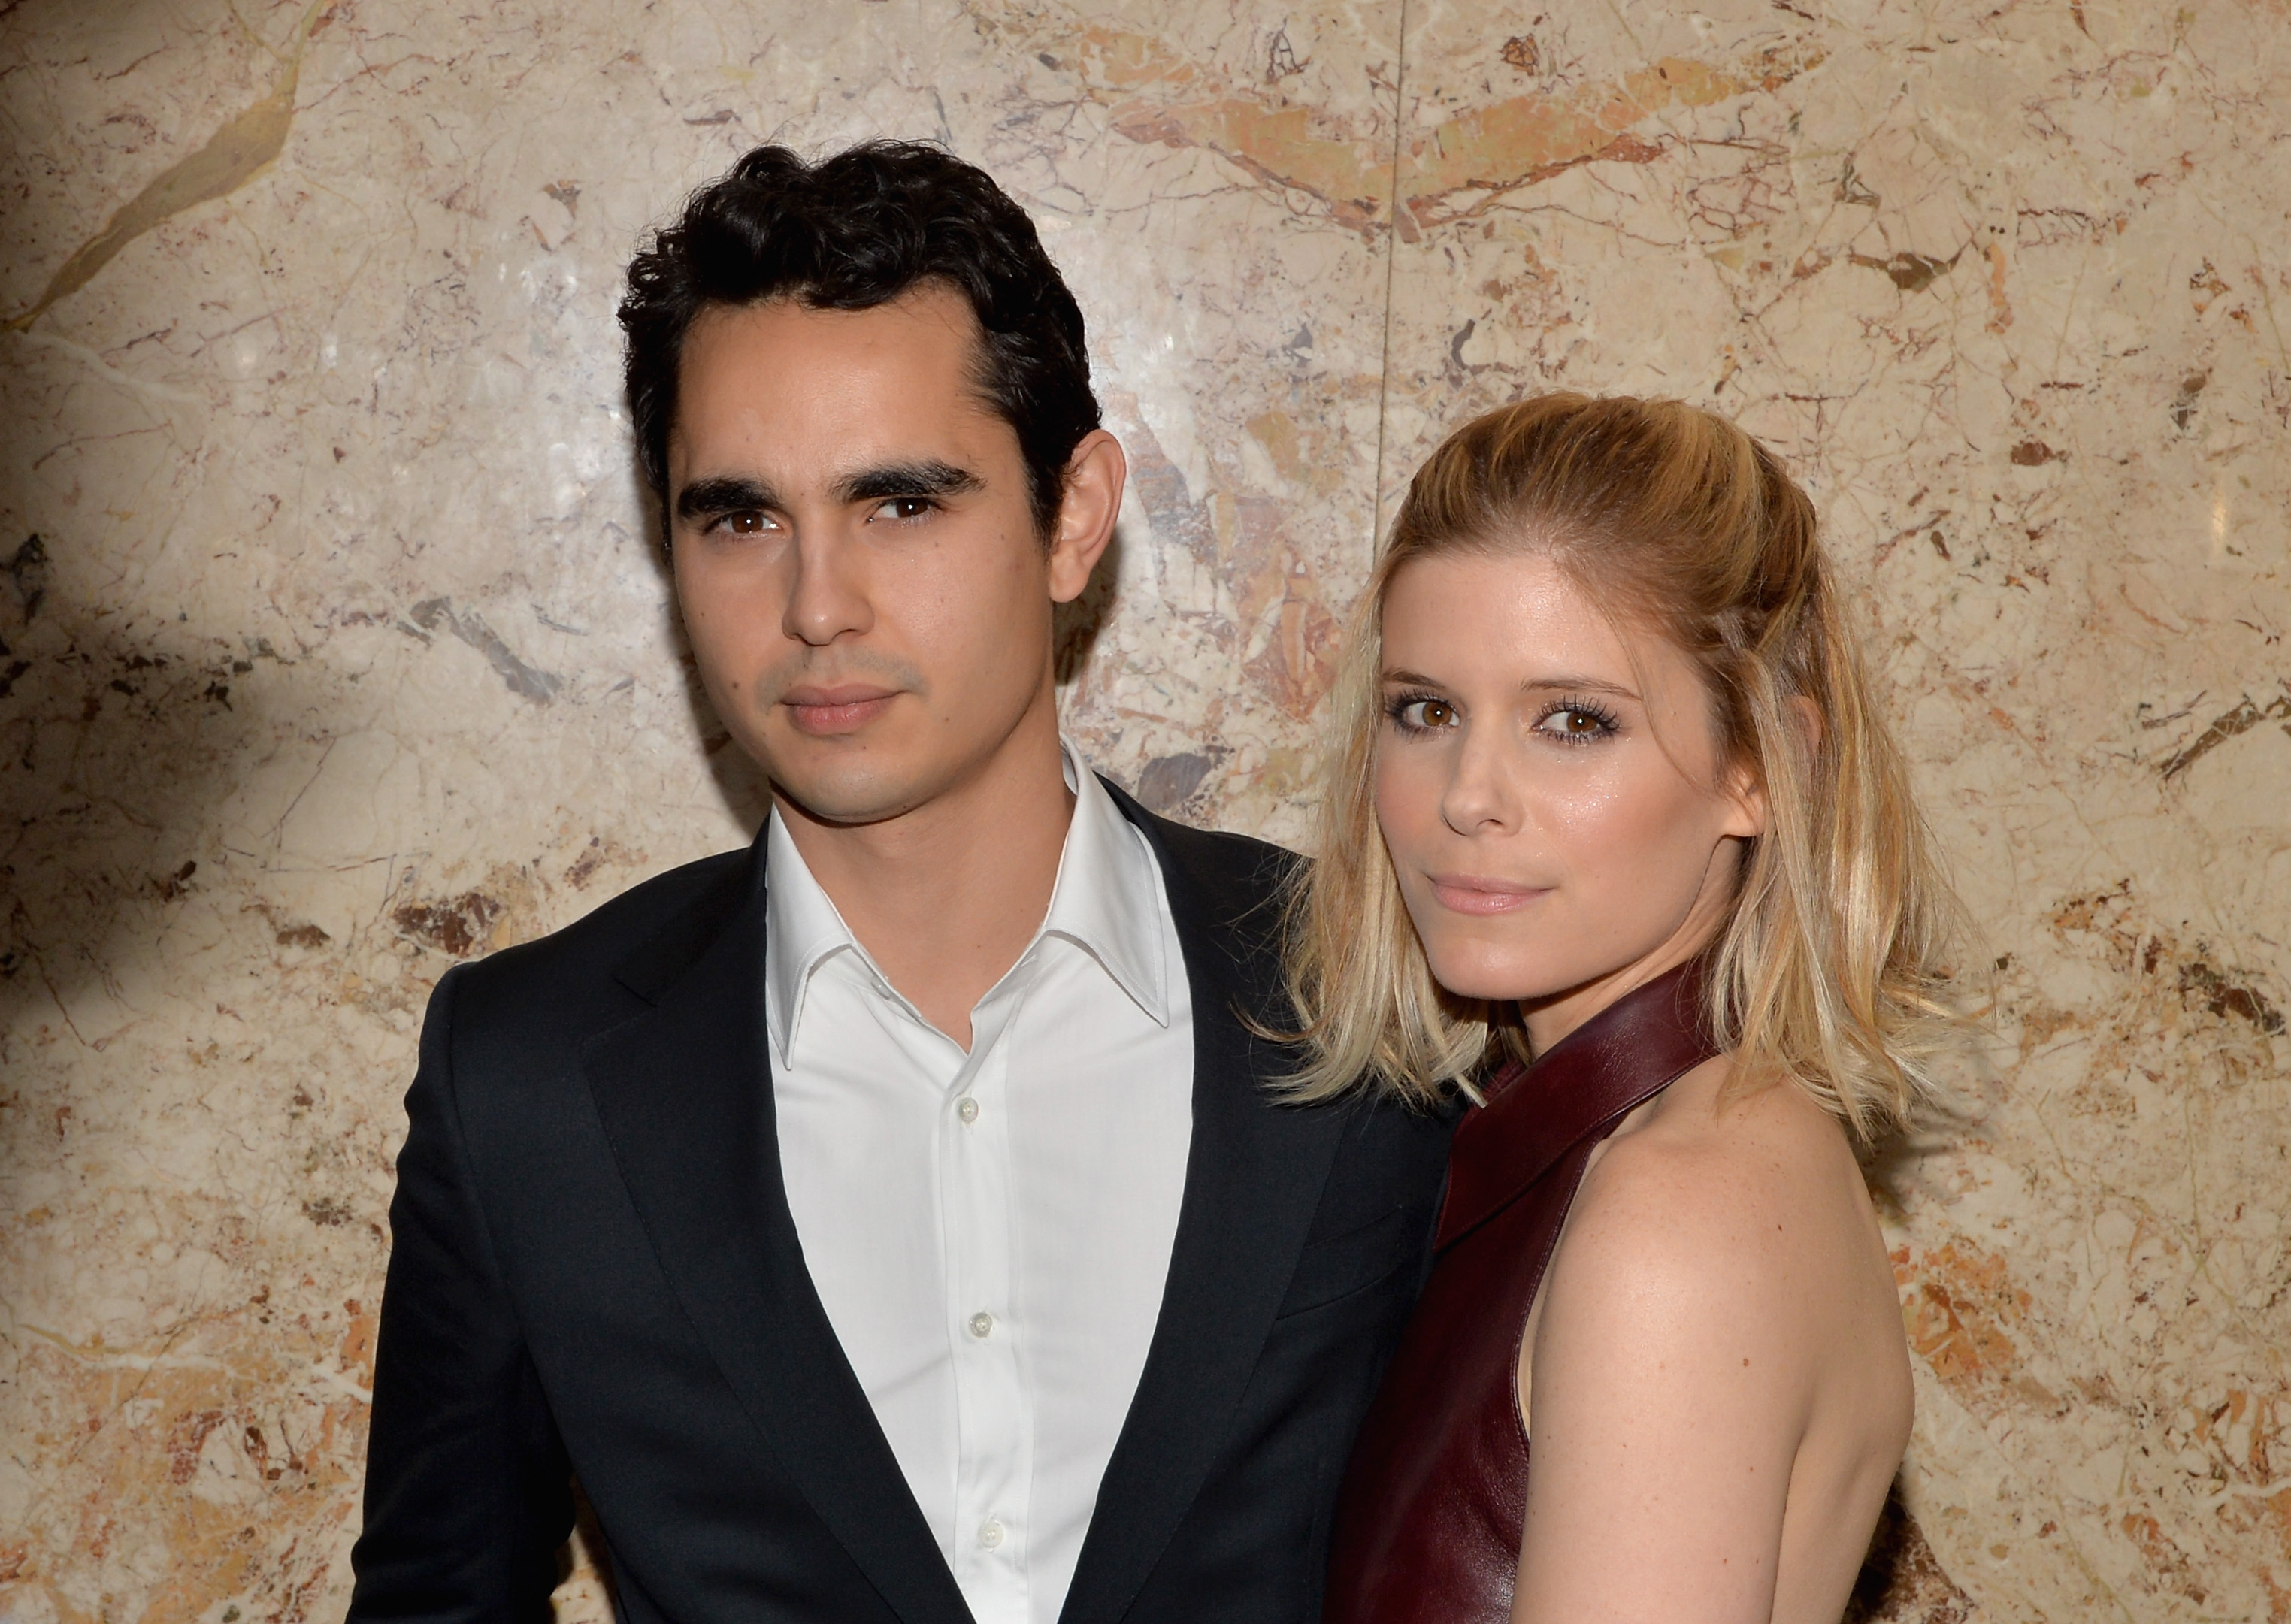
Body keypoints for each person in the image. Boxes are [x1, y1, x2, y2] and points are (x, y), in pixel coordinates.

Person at [347, 141, 1452, 1624]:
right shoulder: (528, 1080)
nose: (815, 605)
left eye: (901, 504)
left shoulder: (1374, 989)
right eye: (741, 517)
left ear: (1072, 518)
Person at [1300, 395, 1964, 1623]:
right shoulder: (1674, 1143)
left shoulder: (1677, 1207)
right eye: (1424, 709)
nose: (1468, 795)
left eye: (1573, 721)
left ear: (1760, 766)